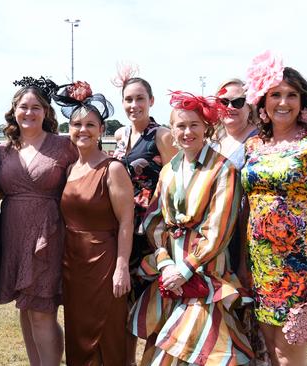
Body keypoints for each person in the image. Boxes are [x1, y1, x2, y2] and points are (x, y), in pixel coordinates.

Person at [130, 91, 252, 365]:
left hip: (205, 274)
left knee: (203, 352)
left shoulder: (223, 169)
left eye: (194, 125)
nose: (187, 132)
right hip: (170, 273)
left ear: (206, 127)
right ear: (171, 130)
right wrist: (165, 265)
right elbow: (153, 222)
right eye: (181, 126)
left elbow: (219, 227)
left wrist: (186, 269)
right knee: (169, 346)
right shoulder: (168, 170)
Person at [241, 51, 307, 365]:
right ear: (263, 101)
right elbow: (248, 205)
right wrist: (243, 263)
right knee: (268, 348)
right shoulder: (254, 145)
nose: (283, 102)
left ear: (303, 101)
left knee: (287, 353)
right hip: (260, 265)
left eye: (291, 95)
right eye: (275, 95)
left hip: (301, 267)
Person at [0, 77, 77, 366]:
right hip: (14, 234)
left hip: (49, 233)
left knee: (42, 311)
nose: (28, 112)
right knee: (26, 308)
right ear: (14, 111)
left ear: (46, 112)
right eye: (23, 107)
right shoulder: (4, 150)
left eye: (35, 107)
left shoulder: (65, 145)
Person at [57, 82, 135, 365]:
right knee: (77, 333)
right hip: (73, 264)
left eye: (90, 124)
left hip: (104, 262)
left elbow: (127, 219)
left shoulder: (112, 169)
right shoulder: (69, 169)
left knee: (107, 334)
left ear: (101, 130)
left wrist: (121, 267)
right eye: (76, 124)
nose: (83, 130)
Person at [111, 67, 177, 364]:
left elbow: (180, 182)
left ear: (151, 101)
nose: (133, 105)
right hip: (124, 231)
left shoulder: (162, 135)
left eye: (140, 98)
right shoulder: (120, 135)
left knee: (154, 311)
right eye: (128, 99)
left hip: (154, 234)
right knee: (123, 311)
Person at [212, 78, 270, 365]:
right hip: (214, 241)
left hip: (246, 238)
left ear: (250, 107)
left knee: (250, 319)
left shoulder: (259, 142)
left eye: (237, 102)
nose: (230, 107)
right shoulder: (211, 140)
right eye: (224, 102)